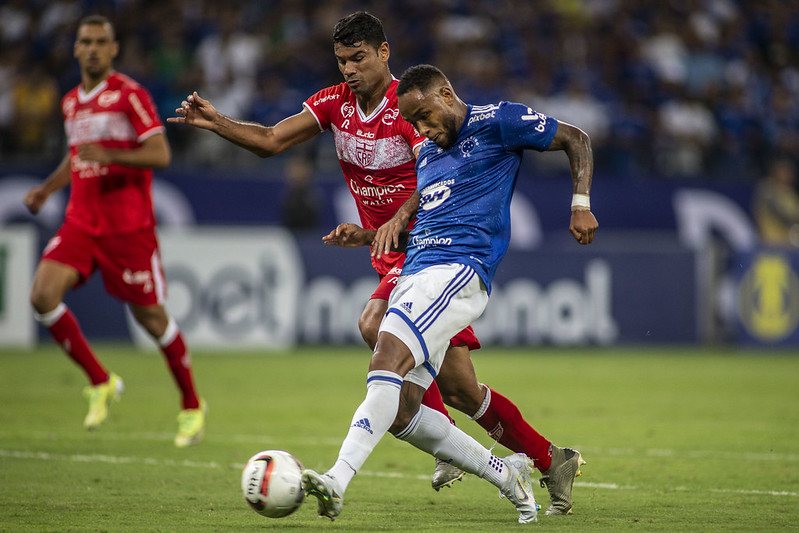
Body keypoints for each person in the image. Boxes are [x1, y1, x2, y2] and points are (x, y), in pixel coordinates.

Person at [169, 11, 569, 496]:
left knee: (372, 324)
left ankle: (440, 450)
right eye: (341, 61)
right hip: (388, 251)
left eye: (358, 58)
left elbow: (444, 173)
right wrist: (217, 123)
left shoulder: (412, 108)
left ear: (383, 53)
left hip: (430, 246)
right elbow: (272, 140)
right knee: (462, 388)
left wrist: (399, 217)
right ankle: (548, 459)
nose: (349, 70)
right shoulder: (335, 104)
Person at [301, 63, 596, 522]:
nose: (420, 130)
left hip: (457, 270)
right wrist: (376, 231)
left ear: (445, 93)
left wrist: (580, 205)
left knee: (382, 351)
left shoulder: (498, 121)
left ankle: (337, 480)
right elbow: (429, 209)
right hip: (418, 268)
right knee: (406, 411)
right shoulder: (428, 154)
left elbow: (576, 138)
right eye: (413, 122)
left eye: (424, 117)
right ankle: (514, 472)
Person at [23, 15, 206, 448]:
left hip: (128, 227)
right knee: (41, 296)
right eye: (85, 41)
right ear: (75, 48)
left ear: (114, 49)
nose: (92, 49)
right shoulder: (70, 102)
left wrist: (109, 153)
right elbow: (77, 155)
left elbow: (160, 153)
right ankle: (100, 380)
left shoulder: (130, 96)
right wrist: (47, 189)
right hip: (81, 222)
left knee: (152, 319)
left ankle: (192, 405)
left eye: (100, 42)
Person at [752, 156, 799, 247]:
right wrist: (794, 219)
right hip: (771, 242)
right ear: (776, 172)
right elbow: (779, 213)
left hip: (788, 243)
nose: (789, 175)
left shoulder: (791, 193)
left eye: (790, 172)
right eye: (785, 171)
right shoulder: (767, 188)